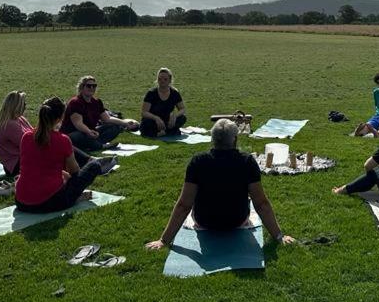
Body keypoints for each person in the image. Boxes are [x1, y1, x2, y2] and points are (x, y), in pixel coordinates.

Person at [145, 119, 295, 249]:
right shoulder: (247, 161)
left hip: (204, 221)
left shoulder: (198, 162)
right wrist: (279, 236)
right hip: (236, 221)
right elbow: (261, 204)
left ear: (213, 140)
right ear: (235, 140)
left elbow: (184, 205)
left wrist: (164, 240)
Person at [0, 90, 115, 177]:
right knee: (59, 147)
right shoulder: (9, 125)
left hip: (25, 158)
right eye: (23, 104)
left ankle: (90, 162)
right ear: (16, 106)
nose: (25, 106)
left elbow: (34, 134)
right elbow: (32, 143)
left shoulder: (18, 119)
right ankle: (91, 164)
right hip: (16, 165)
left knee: (60, 146)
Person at [15, 97, 104, 214]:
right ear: (61, 117)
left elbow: (37, 165)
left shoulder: (26, 137)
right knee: (95, 165)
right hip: (49, 202)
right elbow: (75, 171)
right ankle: (74, 197)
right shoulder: (62, 140)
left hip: (22, 202)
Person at [60, 75, 138, 151]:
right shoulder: (75, 102)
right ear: (82, 87)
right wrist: (89, 132)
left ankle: (93, 144)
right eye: (89, 86)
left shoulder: (97, 102)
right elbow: (78, 124)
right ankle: (100, 146)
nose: (92, 88)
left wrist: (125, 123)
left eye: (94, 86)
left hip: (91, 132)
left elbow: (107, 118)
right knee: (78, 136)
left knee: (116, 126)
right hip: (75, 132)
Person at [140, 67, 188, 137]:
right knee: (147, 122)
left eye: (165, 79)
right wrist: (156, 118)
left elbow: (182, 109)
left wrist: (175, 116)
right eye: (160, 79)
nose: (162, 81)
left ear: (170, 80)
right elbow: (144, 112)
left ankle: (163, 131)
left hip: (167, 121)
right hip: (153, 121)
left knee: (182, 118)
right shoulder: (151, 93)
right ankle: (168, 131)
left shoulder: (174, 93)